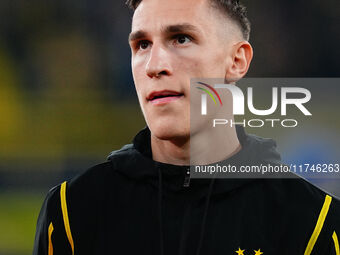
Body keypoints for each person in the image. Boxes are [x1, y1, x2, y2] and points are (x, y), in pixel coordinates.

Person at [33, 0, 340, 254]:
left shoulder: (313, 222)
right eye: (142, 44)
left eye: (181, 39)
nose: (155, 65)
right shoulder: (72, 211)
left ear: (237, 61)